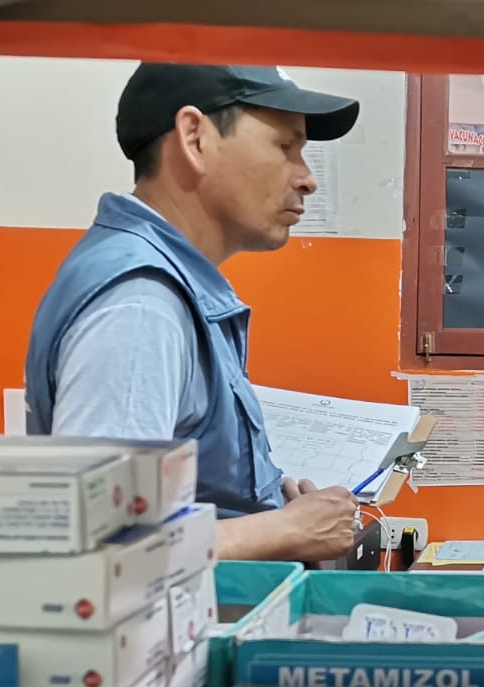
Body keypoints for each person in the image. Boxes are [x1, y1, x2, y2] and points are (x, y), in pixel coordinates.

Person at [23, 63, 365, 562]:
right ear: (194, 137)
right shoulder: (141, 306)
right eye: (285, 146)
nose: (307, 179)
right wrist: (285, 530)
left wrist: (282, 521)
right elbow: (102, 546)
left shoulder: (170, 287)